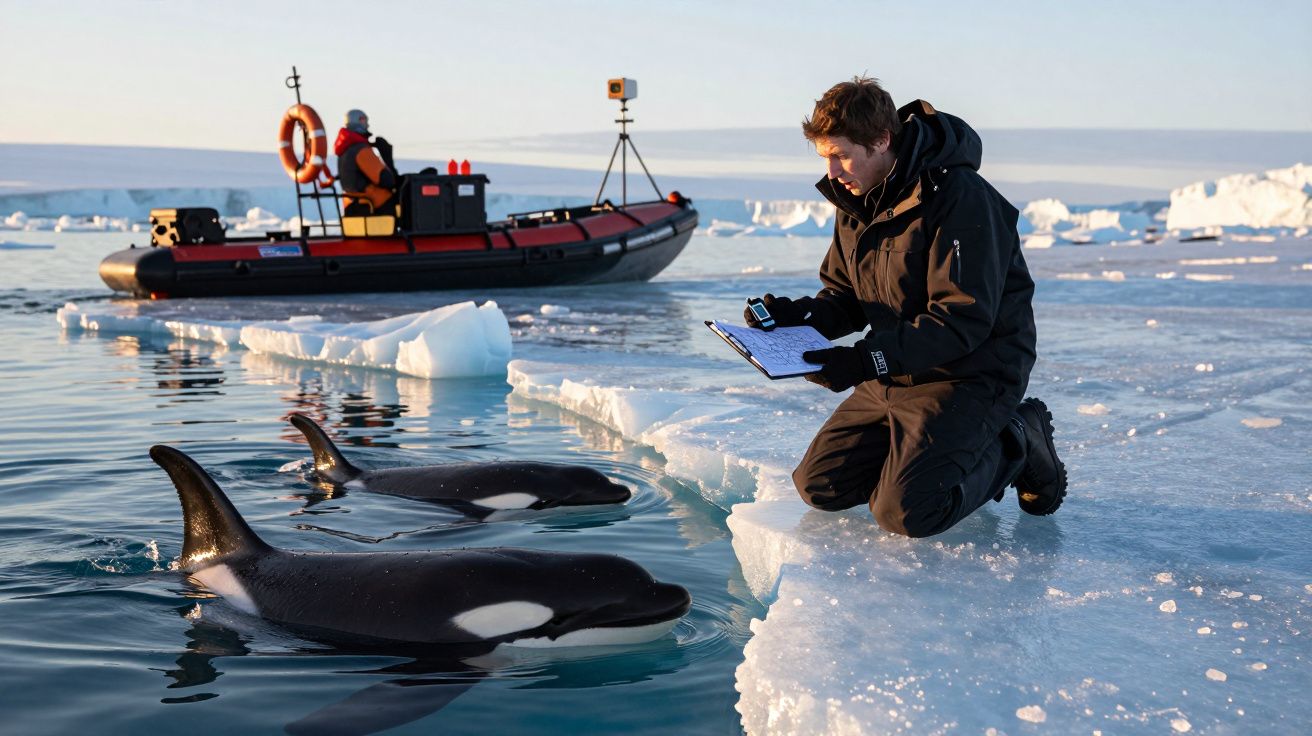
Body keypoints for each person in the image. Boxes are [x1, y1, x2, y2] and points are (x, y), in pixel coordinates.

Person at [744, 76, 1066, 538]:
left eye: (841, 155)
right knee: (821, 487)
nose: (832, 172)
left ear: (881, 140)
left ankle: (1017, 437)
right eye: (825, 158)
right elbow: (848, 297)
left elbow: (961, 320)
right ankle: (919, 458)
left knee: (907, 512)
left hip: (971, 373)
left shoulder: (960, 198)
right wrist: (796, 318)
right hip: (897, 369)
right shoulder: (856, 198)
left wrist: (863, 360)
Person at [333, 109, 397, 214]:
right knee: (406, 196)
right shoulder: (361, 150)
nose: (367, 125)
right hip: (373, 204)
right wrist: (387, 157)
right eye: (365, 121)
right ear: (360, 121)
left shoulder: (344, 151)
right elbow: (386, 180)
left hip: (352, 203)